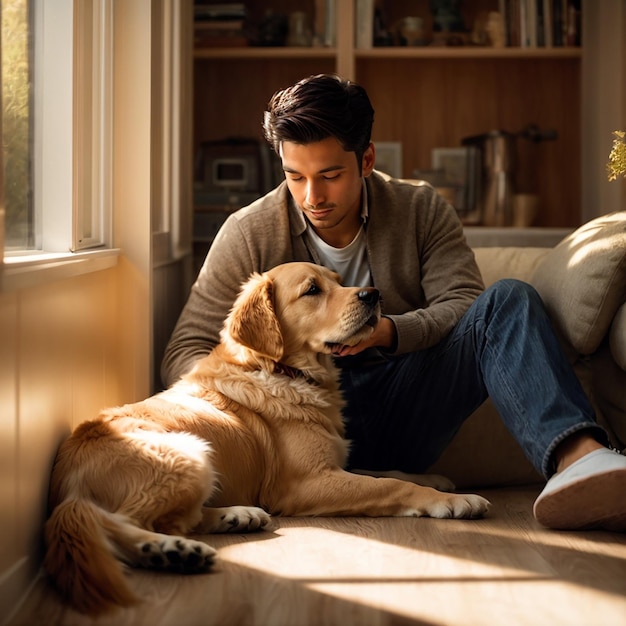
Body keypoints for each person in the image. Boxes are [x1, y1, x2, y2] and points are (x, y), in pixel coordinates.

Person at [162, 73, 626, 532]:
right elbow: (186, 349)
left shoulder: (421, 208)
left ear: (366, 160)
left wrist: (389, 333)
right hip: (294, 419)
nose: (312, 197)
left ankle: (582, 462)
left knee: (509, 298)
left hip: (403, 399)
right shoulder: (248, 231)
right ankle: (355, 479)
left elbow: (464, 301)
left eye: (330, 175)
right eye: (294, 176)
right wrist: (263, 394)